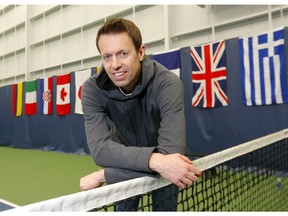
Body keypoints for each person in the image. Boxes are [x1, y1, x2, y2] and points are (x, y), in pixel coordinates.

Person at [80, 17, 201, 211]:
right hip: (139, 162)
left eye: (123, 53)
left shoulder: (168, 84)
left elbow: (171, 157)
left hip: (147, 165)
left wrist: (106, 175)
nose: (115, 64)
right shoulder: (92, 89)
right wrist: (156, 161)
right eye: (107, 57)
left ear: (141, 52)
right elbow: (101, 151)